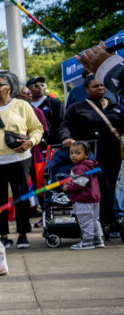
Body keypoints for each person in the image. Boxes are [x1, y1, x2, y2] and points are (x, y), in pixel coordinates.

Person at [0, 72, 44, 248]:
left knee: (21, 197)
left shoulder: (22, 106)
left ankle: (22, 234)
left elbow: (37, 129)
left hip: (19, 158)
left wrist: (30, 142)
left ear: (9, 88)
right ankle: (2, 235)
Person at [60, 74, 124, 232]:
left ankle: (113, 221)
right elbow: (65, 125)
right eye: (96, 86)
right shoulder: (77, 108)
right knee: (102, 186)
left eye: (102, 85)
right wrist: (66, 138)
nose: (100, 88)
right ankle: (107, 222)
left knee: (115, 187)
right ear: (87, 89)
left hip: (115, 154)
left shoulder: (116, 107)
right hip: (90, 157)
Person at [63, 141, 103, 249]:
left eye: (78, 153)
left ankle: (88, 241)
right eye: (71, 153)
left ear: (86, 155)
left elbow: (80, 183)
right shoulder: (89, 166)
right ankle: (98, 239)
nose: (73, 155)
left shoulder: (80, 168)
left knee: (85, 220)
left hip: (84, 199)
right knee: (94, 220)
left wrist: (68, 187)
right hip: (93, 198)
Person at [27, 76, 64, 148]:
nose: (40, 87)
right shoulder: (26, 106)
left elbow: (62, 123)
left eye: (42, 85)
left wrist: (58, 145)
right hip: (33, 146)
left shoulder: (55, 103)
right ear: (28, 89)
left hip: (53, 146)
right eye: (36, 85)